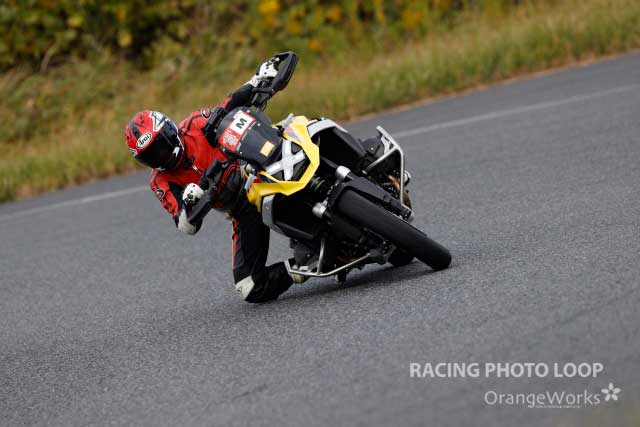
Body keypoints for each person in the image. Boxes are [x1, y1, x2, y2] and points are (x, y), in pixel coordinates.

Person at [124, 57, 298, 303]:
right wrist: (193, 202)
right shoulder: (160, 181)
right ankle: (304, 266)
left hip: (257, 167)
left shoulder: (195, 124)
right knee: (249, 287)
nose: (162, 155)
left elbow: (226, 107)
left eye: (162, 144)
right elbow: (186, 225)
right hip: (242, 206)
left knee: (296, 134)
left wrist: (254, 82)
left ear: (170, 129)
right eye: (152, 155)